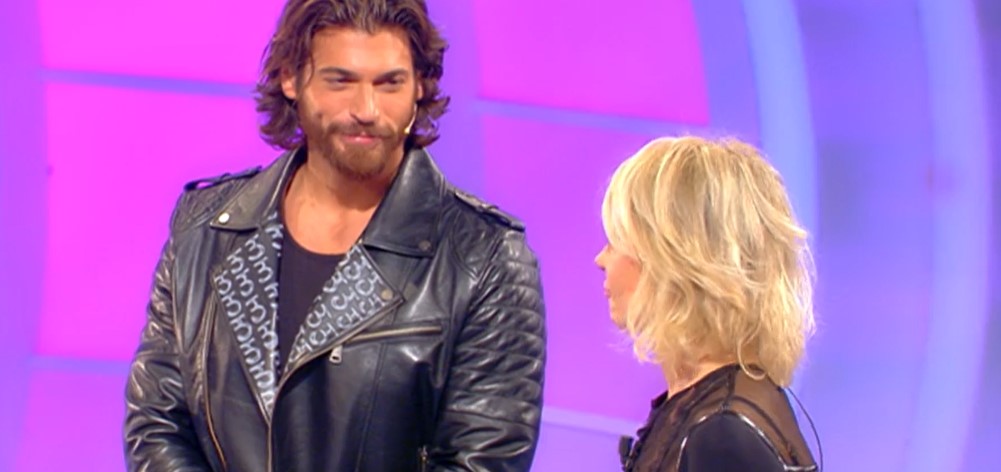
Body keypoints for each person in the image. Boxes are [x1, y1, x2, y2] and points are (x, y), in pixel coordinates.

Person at [123, 1, 546, 470]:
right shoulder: (206, 228)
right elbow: (157, 423)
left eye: (389, 83)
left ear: (420, 87)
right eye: (340, 81)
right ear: (291, 79)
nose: (366, 110)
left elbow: (482, 459)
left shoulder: (484, 258)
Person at [595, 136, 819, 471]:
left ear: (670, 258)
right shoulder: (708, 409)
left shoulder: (721, 436)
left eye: (615, 242)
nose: (600, 259)